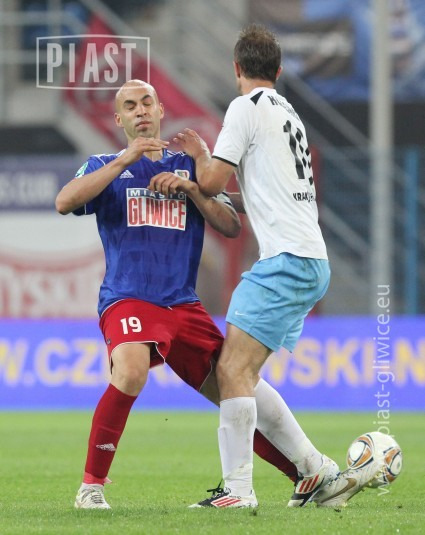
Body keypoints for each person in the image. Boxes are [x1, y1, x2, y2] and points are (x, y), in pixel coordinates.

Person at [151, 25, 383, 508]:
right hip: (309, 258)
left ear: (236, 68)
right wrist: (205, 184)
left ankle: (238, 491)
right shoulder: (288, 113)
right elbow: (259, 190)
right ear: (278, 70)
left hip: (286, 260)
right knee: (242, 372)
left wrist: (197, 158)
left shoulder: (245, 107)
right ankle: (316, 471)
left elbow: (213, 181)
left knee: (232, 369)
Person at [56, 79, 308, 510]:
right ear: (118, 119)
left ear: (160, 112)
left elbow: (230, 225)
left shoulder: (188, 168)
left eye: (147, 102)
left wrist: (193, 189)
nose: (140, 110)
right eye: (130, 106)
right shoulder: (104, 165)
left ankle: (304, 476)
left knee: (233, 391)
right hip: (129, 297)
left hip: (183, 306)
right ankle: (91, 487)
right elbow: (64, 201)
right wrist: (125, 160)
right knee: (131, 370)